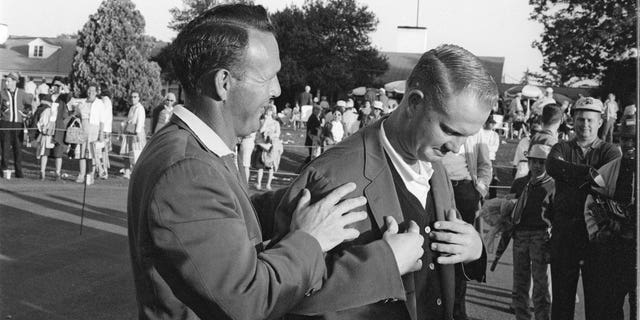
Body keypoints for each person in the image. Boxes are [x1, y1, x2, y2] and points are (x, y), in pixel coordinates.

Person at [127, 5, 370, 319]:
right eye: (267, 78)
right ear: (224, 83)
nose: (278, 90)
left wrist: (300, 196)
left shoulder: (194, 151)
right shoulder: (187, 171)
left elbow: (227, 222)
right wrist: (310, 239)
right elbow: (248, 302)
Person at [271, 44, 490, 320]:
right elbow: (283, 296)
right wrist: (380, 265)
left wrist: (474, 251)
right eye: (449, 130)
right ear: (413, 102)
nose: (457, 148)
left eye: (466, 136)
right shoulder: (332, 177)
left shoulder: (438, 168)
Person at [545, 96, 622, 320]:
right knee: (561, 302)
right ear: (572, 121)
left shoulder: (610, 151)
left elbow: (606, 184)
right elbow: (553, 166)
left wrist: (571, 174)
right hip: (564, 235)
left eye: (590, 120)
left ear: (600, 122)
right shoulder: (561, 147)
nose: (585, 125)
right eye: (580, 119)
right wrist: (590, 174)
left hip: (596, 237)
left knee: (597, 302)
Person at [583, 115, 636, 320]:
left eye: (633, 138)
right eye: (624, 139)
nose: (629, 144)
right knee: (610, 303)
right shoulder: (608, 170)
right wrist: (599, 230)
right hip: (615, 248)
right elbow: (591, 201)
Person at [441, 124, 492, 320]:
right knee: (437, 245)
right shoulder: (443, 123)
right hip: (436, 187)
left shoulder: (476, 132)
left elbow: (485, 165)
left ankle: (458, 309)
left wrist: (478, 191)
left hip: (464, 190)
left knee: (460, 251)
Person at [509, 144, 554, 320]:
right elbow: (509, 211)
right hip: (520, 236)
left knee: (541, 285)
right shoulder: (520, 184)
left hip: (541, 237)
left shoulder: (552, 185)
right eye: (534, 161)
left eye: (542, 162)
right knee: (519, 283)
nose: (537, 166)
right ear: (528, 161)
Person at [73, 85, 106, 184]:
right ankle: (82, 174)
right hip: (83, 129)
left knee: (92, 153)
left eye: (92, 91)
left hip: (94, 129)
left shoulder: (99, 103)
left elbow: (102, 120)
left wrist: (101, 133)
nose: (90, 92)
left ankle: (91, 175)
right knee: (82, 153)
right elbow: (76, 114)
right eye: (89, 90)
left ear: (96, 92)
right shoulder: (82, 103)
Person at [1, 72, 32, 178]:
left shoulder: (22, 93)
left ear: (14, 81)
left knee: (18, 148)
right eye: (6, 81)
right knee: (5, 148)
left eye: (9, 81)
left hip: (18, 124)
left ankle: (18, 171)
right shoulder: (2, 93)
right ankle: (4, 170)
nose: (6, 83)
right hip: (5, 124)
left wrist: (27, 112)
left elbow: (29, 106)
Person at [253, 106, 283, 190]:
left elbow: (278, 133)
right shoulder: (261, 121)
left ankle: (268, 184)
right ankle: (258, 184)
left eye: (270, 111)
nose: (269, 113)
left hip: (272, 146)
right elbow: (260, 131)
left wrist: (271, 135)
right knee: (260, 166)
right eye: (267, 111)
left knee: (271, 167)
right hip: (262, 146)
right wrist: (266, 122)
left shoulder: (276, 123)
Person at [48, 79, 71, 180]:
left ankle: (58, 172)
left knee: (58, 151)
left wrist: (63, 87)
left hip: (59, 127)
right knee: (45, 151)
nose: (56, 87)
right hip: (48, 126)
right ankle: (42, 172)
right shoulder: (48, 97)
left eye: (58, 86)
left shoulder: (62, 98)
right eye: (55, 85)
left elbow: (69, 96)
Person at [119, 91, 146, 179]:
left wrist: (137, 134)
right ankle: (127, 172)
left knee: (136, 153)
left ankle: (136, 172)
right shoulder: (132, 108)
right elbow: (129, 120)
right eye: (132, 97)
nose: (133, 98)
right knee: (127, 152)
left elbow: (140, 122)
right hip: (129, 131)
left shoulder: (140, 108)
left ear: (138, 98)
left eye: (135, 97)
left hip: (136, 133)